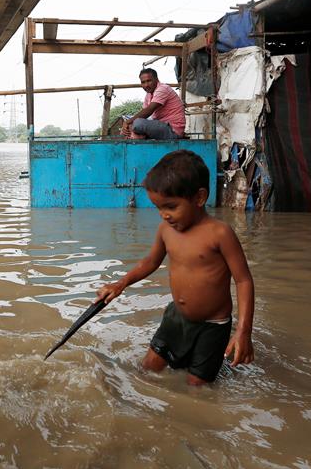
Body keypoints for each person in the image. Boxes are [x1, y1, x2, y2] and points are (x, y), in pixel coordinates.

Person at [97, 150, 254, 385]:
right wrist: (121, 283)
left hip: (212, 326)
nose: (164, 215)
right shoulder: (166, 230)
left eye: (170, 206)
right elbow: (150, 262)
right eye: (158, 208)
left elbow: (243, 281)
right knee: (147, 371)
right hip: (176, 318)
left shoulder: (219, 234)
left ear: (199, 198)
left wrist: (243, 331)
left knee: (197, 387)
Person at [121, 67, 186, 140]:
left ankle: (139, 136)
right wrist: (128, 126)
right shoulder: (149, 95)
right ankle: (136, 136)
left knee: (138, 123)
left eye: (149, 81)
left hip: (172, 130)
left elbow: (148, 111)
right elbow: (144, 114)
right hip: (161, 127)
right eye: (143, 82)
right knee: (128, 129)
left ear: (156, 80)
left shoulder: (163, 89)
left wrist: (128, 122)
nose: (146, 85)